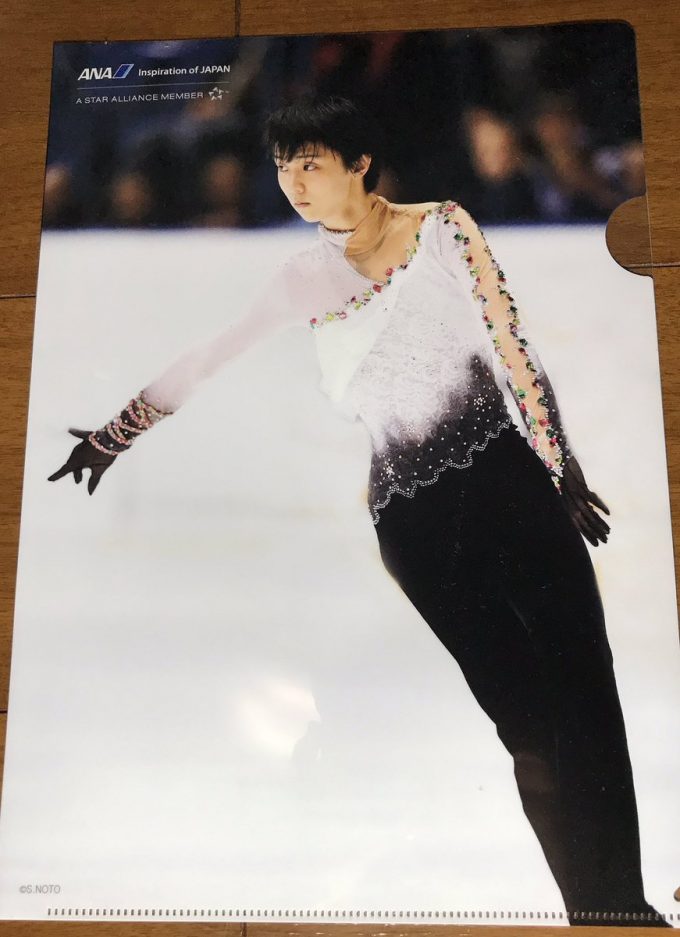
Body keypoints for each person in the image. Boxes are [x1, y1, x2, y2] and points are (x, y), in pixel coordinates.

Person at [48, 95, 668, 927]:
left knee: (588, 692)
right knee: (527, 726)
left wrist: (561, 463)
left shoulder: (443, 228)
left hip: (514, 486)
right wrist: (114, 434)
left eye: (310, 163)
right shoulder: (301, 279)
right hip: (416, 523)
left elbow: (511, 343)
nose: (294, 184)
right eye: (283, 168)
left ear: (359, 163)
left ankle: (629, 905)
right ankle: (596, 913)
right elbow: (205, 358)